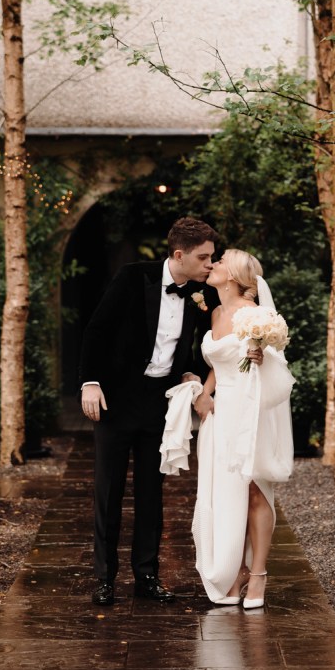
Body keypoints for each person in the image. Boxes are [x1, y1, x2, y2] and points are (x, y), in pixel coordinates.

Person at [79, 216, 219, 606]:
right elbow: (96, 330)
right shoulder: (131, 277)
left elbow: (185, 349)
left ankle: (147, 576)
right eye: (204, 257)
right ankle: (104, 578)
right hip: (116, 400)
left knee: (151, 492)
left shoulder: (199, 293)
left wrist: (189, 373)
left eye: (212, 257)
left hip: (160, 401)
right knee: (108, 489)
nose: (211, 264)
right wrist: (90, 381)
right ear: (179, 254)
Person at [192, 249, 294, 609]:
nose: (212, 264)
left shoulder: (257, 316)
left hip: (249, 410)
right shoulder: (216, 312)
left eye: (219, 262)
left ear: (233, 276)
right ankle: (234, 571)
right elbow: (220, 364)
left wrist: (262, 357)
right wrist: (204, 393)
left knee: (253, 490)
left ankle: (259, 576)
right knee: (225, 493)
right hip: (220, 415)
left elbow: (277, 364)